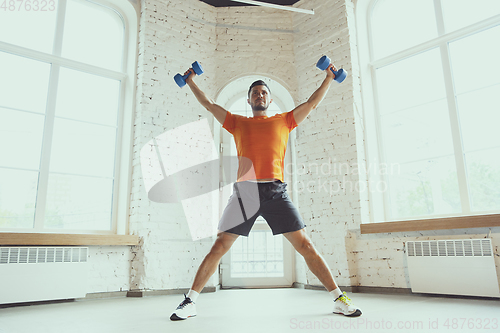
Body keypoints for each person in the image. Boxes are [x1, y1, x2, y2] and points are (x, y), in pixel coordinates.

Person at [170, 62, 362, 321]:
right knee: (219, 246)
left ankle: (339, 298)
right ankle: (189, 302)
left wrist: (328, 78)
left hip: (275, 193)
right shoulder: (236, 123)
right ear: (249, 101)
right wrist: (191, 81)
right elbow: (209, 104)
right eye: (254, 93)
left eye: (263, 93)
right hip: (244, 194)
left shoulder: (285, 120)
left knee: (305, 244)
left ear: (270, 100)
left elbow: (312, 104)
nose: (259, 95)